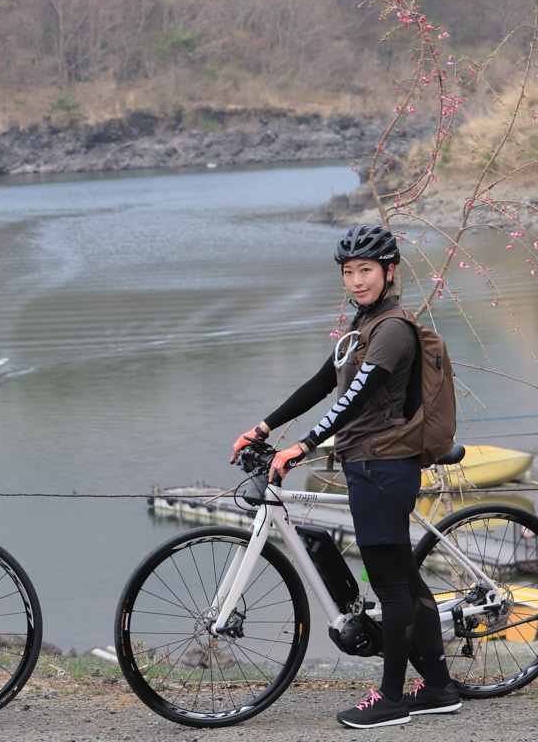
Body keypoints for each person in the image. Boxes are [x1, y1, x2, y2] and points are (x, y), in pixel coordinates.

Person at [230, 224, 461, 729]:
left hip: (382, 467)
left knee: (391, 587)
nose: (357, 280)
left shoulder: (393, 329)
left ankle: (393, 700)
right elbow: (321, 382)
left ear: (389, 272)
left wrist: (303, 445)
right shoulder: (363, 326)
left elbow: (356, 394)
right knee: (405, 578)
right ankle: (440, 688)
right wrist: (262, 427)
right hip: (368, 464)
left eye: (366, 271)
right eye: (349, 272)